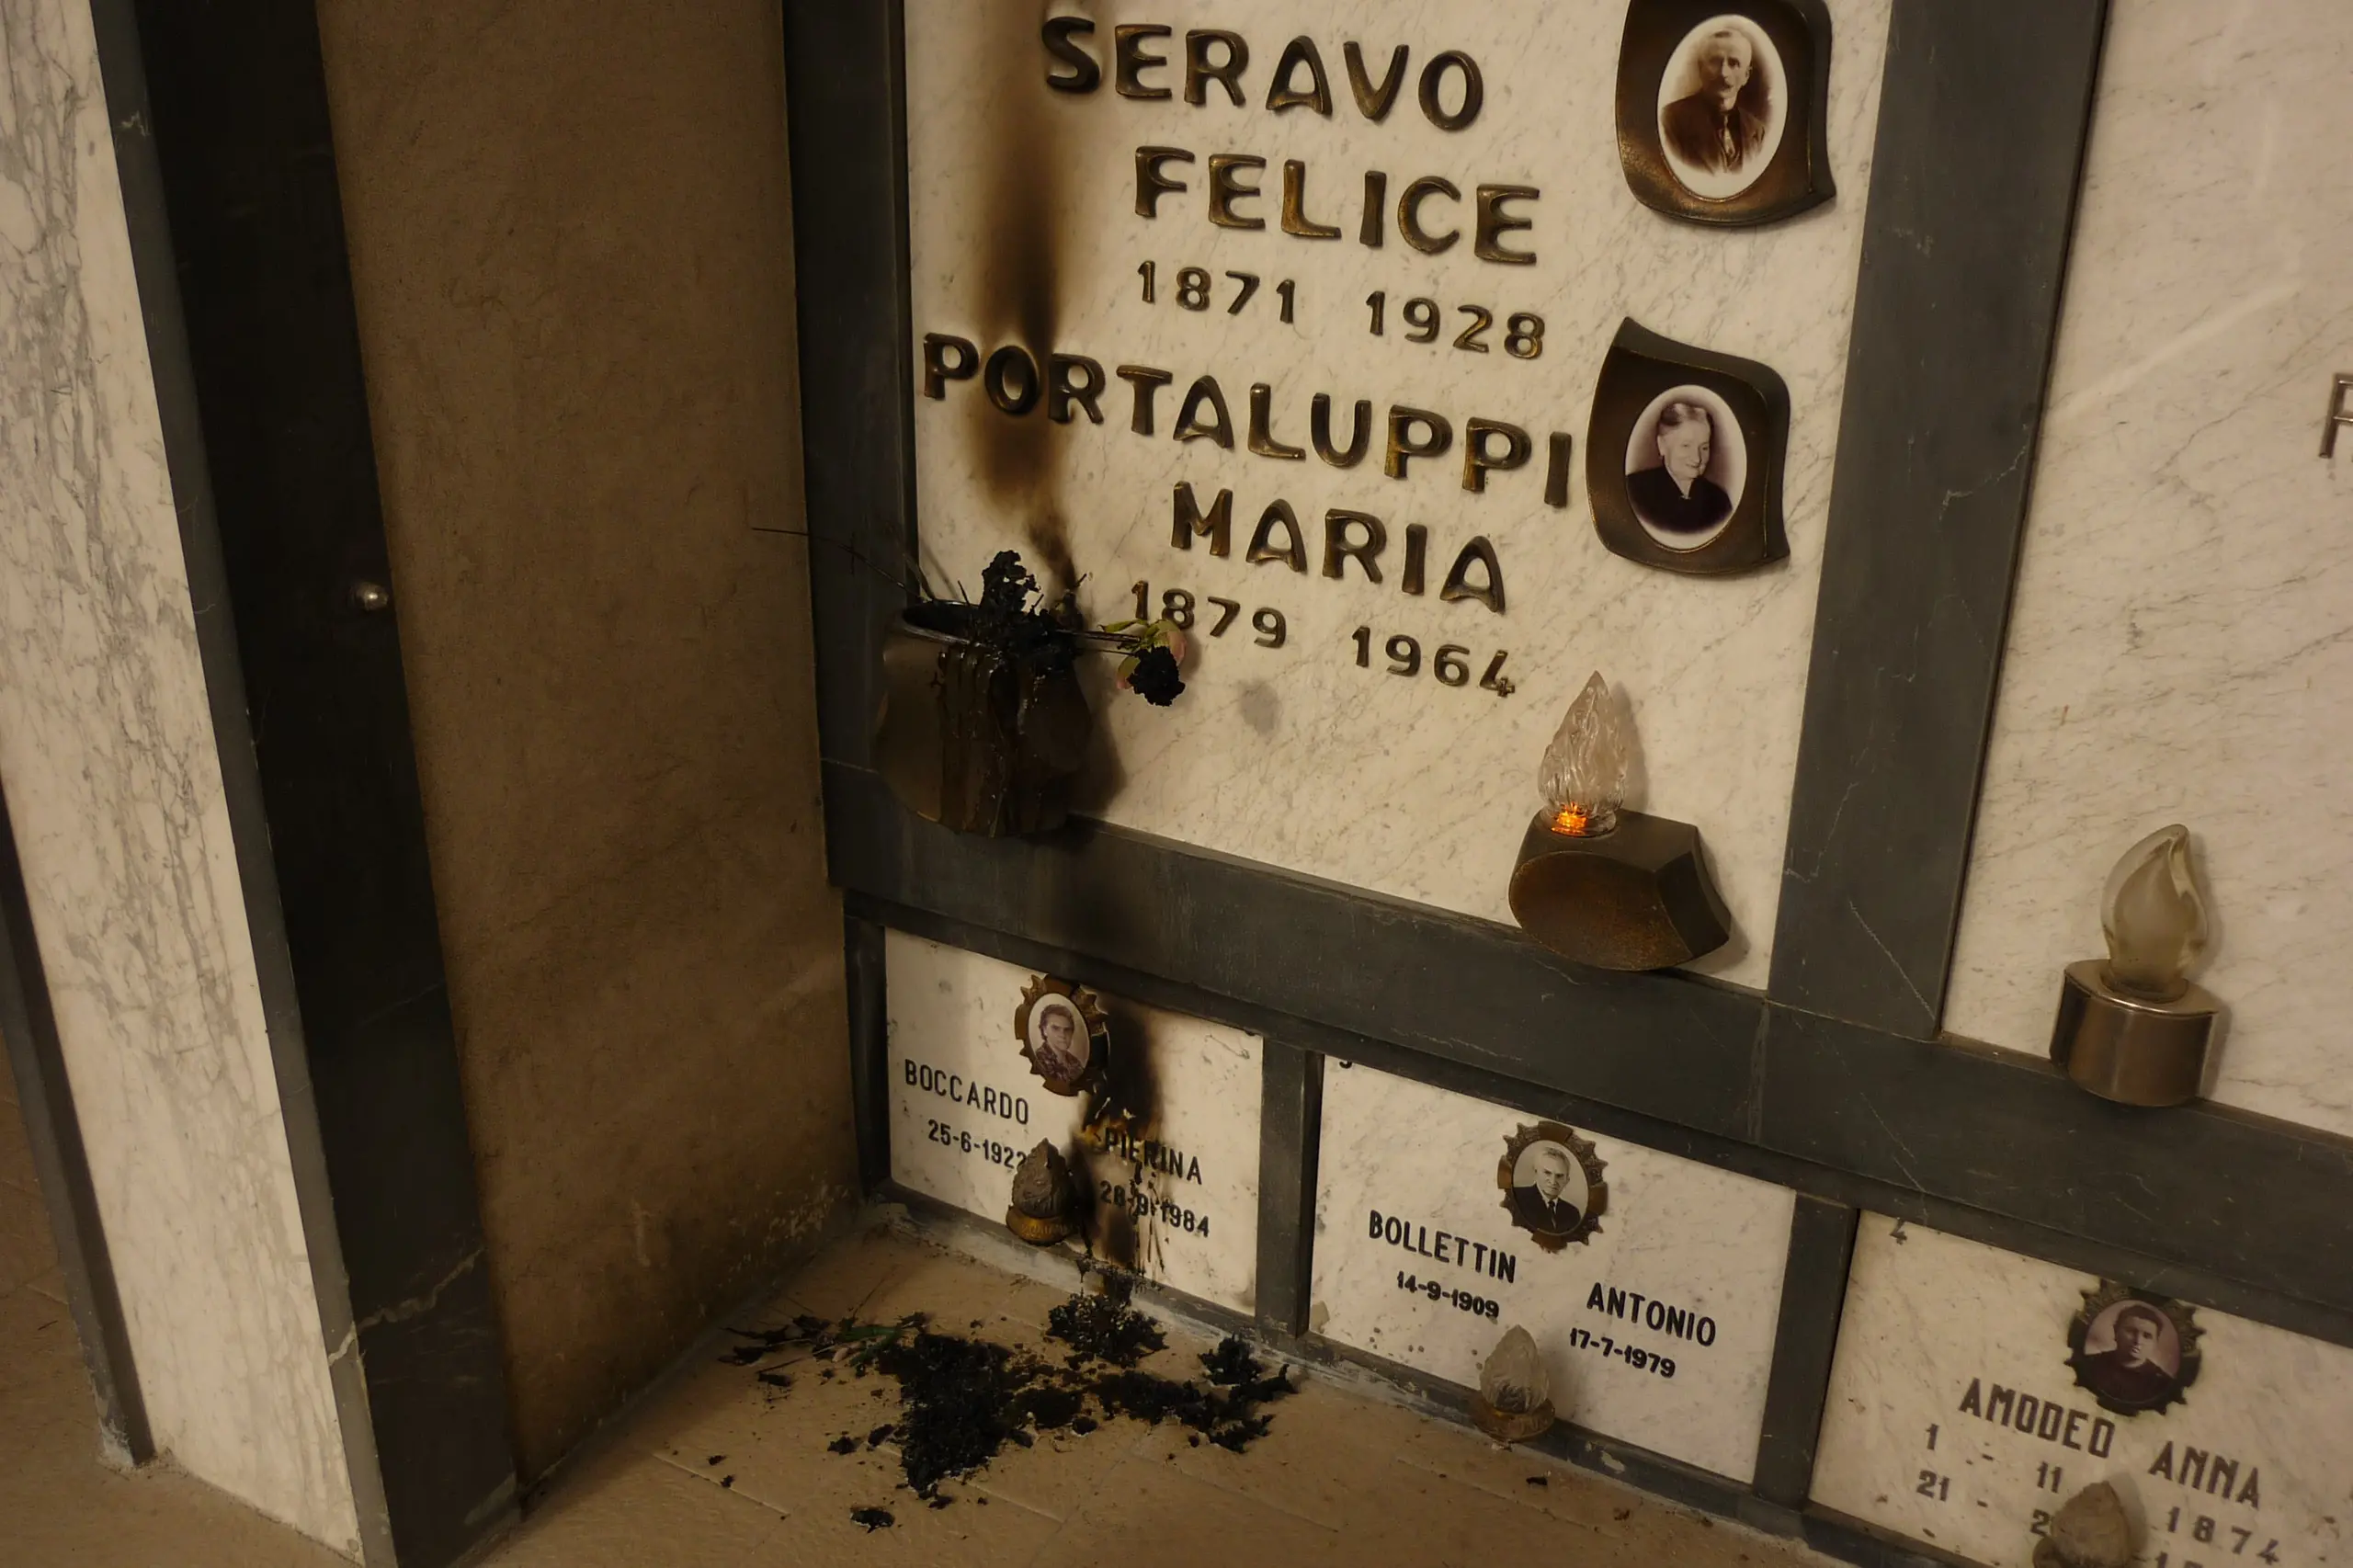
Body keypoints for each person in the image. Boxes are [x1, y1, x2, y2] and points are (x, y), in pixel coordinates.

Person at [1661, 26, 1768, 177]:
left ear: (1746, 75)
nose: (1724, 73)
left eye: (1733, 63)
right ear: (1700, 69)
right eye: (1715, 62)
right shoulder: (1669, 121)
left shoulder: (1757, 131)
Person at [1627, 401, 1734, 535]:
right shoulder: (1634, 491)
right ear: (1662, 445)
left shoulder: (1720, 501)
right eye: (1686, 446)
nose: (1697, 458)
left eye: (1704, 448)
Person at [2077, 1304, 2177, 1407]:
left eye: (2147, 1336)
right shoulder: (2090, 1364)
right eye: (2131, 1331)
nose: (2138, 1341)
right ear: (2116, 1331)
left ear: (2155, 1342)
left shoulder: (2161, 1384)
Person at [1508, 1144, 1584, 1235]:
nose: (1553, 1181)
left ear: (1567, 1181)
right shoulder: (1517, 1197)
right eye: (1547, 1173)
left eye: (1559, 1176)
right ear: (1536, 1172)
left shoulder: (1572, 1214)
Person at [1030, 1002, 1089, 1082]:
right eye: (1056, 1028)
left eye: (1067, 1030)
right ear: (1044, 1030)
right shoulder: (1039, 1060)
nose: (1062, 1035)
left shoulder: (1075, 1063)